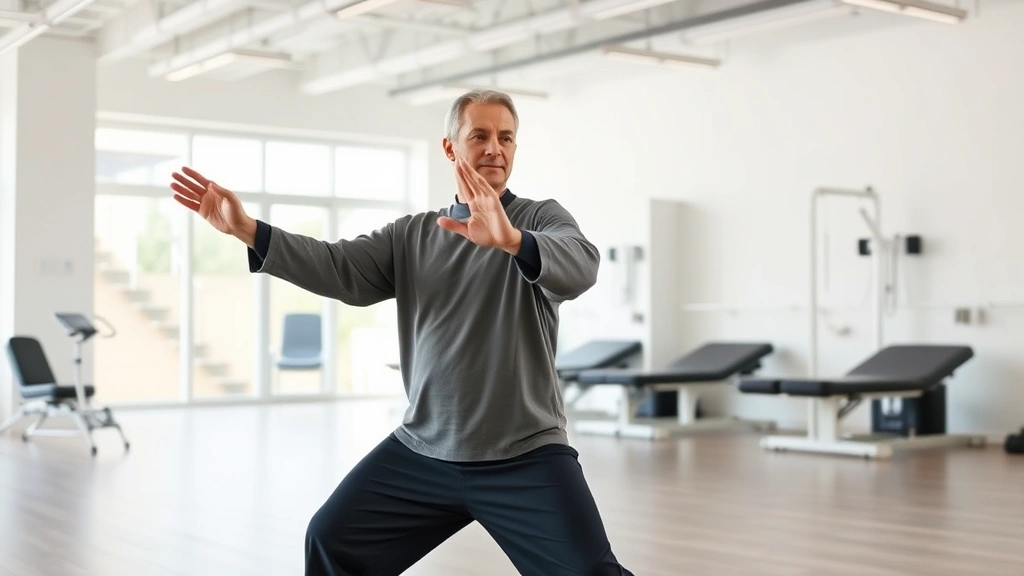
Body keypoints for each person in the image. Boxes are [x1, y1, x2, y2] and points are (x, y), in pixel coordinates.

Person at [169, 89, 633, 576]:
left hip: (524, 455)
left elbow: (582, 265)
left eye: (506, 137)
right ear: (451, 148)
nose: (495, 148)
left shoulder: (539, 219)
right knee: (331, 542)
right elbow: (338, 267)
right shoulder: (412, 234)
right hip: (424, 451)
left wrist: (512, 240)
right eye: (480, 136)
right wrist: (249, 230)